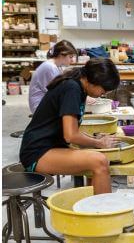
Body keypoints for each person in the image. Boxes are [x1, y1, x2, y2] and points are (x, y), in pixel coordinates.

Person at [20, 58, 121, 194]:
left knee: (95, 158)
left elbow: (71, 132)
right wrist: (98, 142)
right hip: (37, 153)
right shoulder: (71, 88)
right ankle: (103, 213)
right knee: (100, 161)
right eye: (104, 90)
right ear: (92, 81)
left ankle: (91, 208)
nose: (104, 94)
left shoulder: (78, 86)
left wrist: (94, 139)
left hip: (51, 147)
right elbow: (71, 135)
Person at [29, 40, 78, 113]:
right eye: (70, 57)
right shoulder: (49, 67)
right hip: (39, 106)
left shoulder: (56, 66)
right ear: (61, 55)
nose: (72, 60)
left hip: (46, 102)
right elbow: (58, 92)